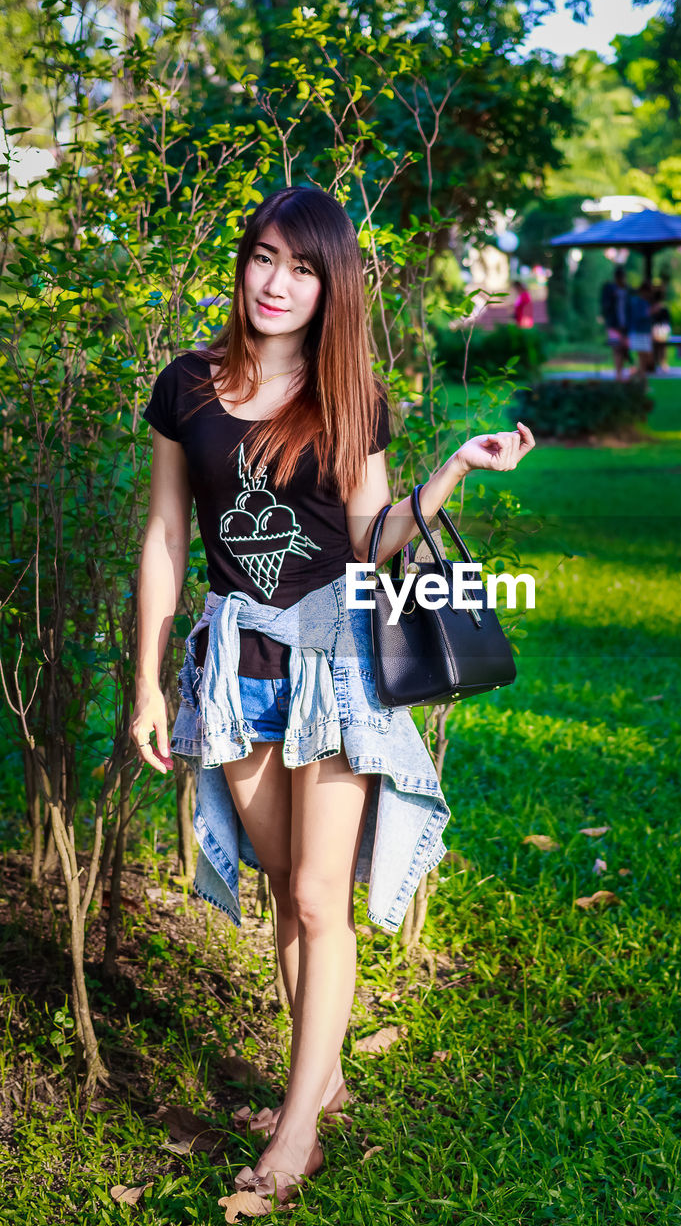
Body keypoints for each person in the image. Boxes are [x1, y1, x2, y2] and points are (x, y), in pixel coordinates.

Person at [131, 186, 535, 1208]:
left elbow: (369, 538)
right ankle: (327, 1076)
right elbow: (167, 536)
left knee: (319, 896)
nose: (277, 282)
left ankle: (299, 1123)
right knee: (280, 882)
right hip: (236, 658)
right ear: (244, 263)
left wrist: (447, 472)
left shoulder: (349, 393)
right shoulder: (187, 387)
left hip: (338, 657)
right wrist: (144, 676)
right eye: (265, 257)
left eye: (303, 268)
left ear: (330, 285)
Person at [599, 265, 630, 380]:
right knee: (617, 348)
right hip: (614, 324)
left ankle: (622, 372)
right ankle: (618, 374)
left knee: (624, 349)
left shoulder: (627, 290)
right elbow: (605, 305)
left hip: (626, 325)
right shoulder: (609, 289)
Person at [627, 282, 654, 380]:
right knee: (643, 358)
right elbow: (638, 317)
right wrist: (651, 311)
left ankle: (640, 378)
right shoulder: (636, 302)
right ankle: (639, 379)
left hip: (644, 333)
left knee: (644, 359)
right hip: (638, 333)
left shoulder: (645, 302)